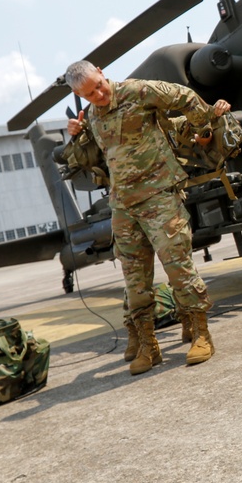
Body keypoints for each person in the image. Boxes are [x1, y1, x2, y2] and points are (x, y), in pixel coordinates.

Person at [63, 61, 230, 376]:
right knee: (135, 280)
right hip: (123, 206)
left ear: (101, 72)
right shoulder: (94, 118)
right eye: (89, 94)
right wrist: (76, 136)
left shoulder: (138, 91)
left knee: (179, 268)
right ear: (78, 94)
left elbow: (185, 97)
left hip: (159, 196)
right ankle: (148, 345)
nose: (99, 94)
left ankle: (200, 334)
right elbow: (88, 161)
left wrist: (204, 131)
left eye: (99, 85)